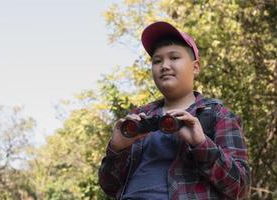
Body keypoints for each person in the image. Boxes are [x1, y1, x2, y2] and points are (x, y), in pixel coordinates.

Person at [98, 21, 250, 200]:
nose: (164, 66)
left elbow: (240, 187)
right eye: (157, 61)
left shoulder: (218, 115)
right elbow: (109, 186)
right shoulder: (139, 117)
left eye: (174, 57)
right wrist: (117, 148)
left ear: (195, 67)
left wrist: (201, 144)